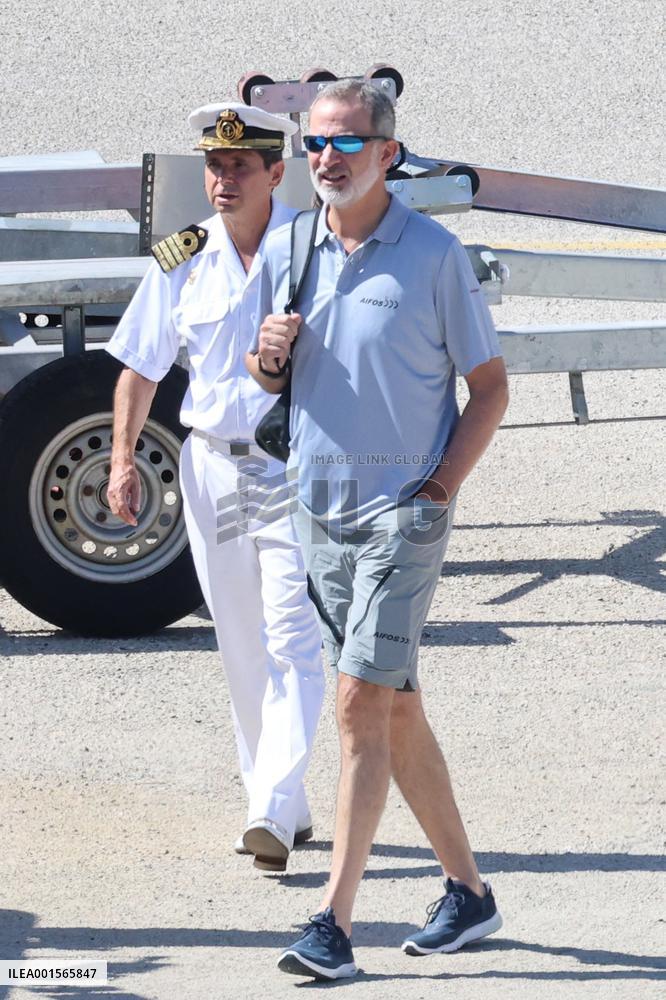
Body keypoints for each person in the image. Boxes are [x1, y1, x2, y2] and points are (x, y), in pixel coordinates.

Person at [247, 80, 509, 979]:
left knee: (358, 703)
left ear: (387, 154)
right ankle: (469, 894)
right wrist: (268, 357)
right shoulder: (290, 245)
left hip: (403, 515)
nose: (328, 159)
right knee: (395, 708)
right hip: (316, 511)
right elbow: (266, 375)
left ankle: (334, 924)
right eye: (316, 144)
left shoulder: (435, 254)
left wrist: (438, 489)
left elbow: (492, 388)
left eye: (347, 144)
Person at [106, 102, 325, 873]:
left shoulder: (316, 245)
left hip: (292, 465)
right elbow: (140, 365)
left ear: (276, 171)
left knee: (293, 635)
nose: (223, 178)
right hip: (209, 466)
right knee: (239, 641)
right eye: (214, 165)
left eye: (240, 166)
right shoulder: (181, 258)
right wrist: (124, 459)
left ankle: (268, 805)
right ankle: (283, 806)